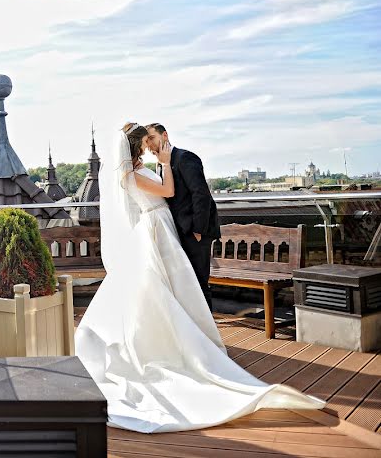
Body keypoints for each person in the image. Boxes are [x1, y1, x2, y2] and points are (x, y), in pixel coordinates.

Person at [74, 122, 324, 433]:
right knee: (164, 288)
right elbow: (168, 191)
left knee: (177, 286)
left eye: (149, 142)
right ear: (135, 147)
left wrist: (172, 184)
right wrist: (164, 165)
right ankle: (179, 342)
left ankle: (193, 336)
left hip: (163, 227)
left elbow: (189, 194)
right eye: (143, 144)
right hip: (156, 229)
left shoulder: (143, 168)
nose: (147, 148)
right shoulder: (133, 173)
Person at [146, 123, 219, 310]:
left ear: (165, 135)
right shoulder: (160, 163)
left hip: (195, 232)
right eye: (147, 141)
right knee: (186, 286)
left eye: (152, 138)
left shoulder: (185, 157)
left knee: (199, 284)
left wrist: (198, 230)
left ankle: (208, 335)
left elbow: (201, 194)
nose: (149, 144)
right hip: (177, 231)